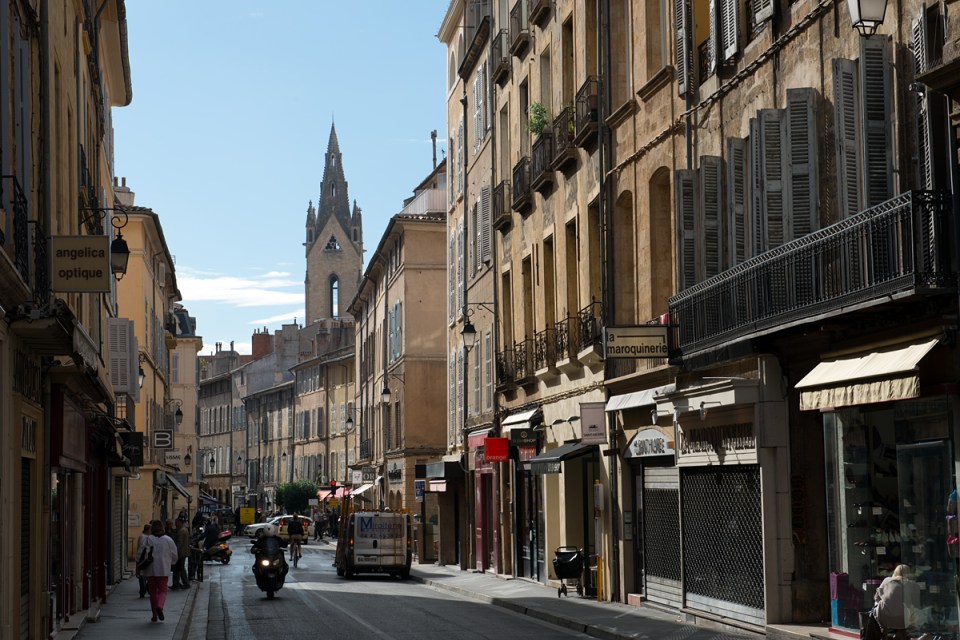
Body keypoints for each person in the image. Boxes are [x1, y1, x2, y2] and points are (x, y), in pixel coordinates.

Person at [141, 519, 178, 622]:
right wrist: (171, 562)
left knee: (152, 593)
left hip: (150, 570)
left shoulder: (148, 539)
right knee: (163, 590)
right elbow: (175, 554)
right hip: (163, 569)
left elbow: (141, 553)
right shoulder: (168, 540)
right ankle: (160, 606)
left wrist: (138, 567)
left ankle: (154, 615)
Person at [871, 564, 920, 636]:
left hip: (884, 617)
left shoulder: (887, 580)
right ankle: (905, 632)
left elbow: (876, 597)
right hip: (903, 619)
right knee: (914, 609)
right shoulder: (913, 584)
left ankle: (883, 629)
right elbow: (916, 604)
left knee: (878, 603)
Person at [171, 517, 190, 590]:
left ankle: (184, 583)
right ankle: (177, 584)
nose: (176, 524)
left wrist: (174, 551)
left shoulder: (181, 531)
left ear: (181, 522)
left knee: (180, 568)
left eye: (177, 523)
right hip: (183, 552)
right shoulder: (184, 530)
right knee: (179, 568)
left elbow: (179, 543)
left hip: (180, 552)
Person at [135, 523, 151, 598]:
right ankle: (143, 590)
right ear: (148, 530)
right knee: (142, 576)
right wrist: (137, 560)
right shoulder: (144, 537)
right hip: (143, 558)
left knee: (144, 575)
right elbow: (141, 549)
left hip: (144, 558)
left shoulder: (144, 536)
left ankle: (144, 590)